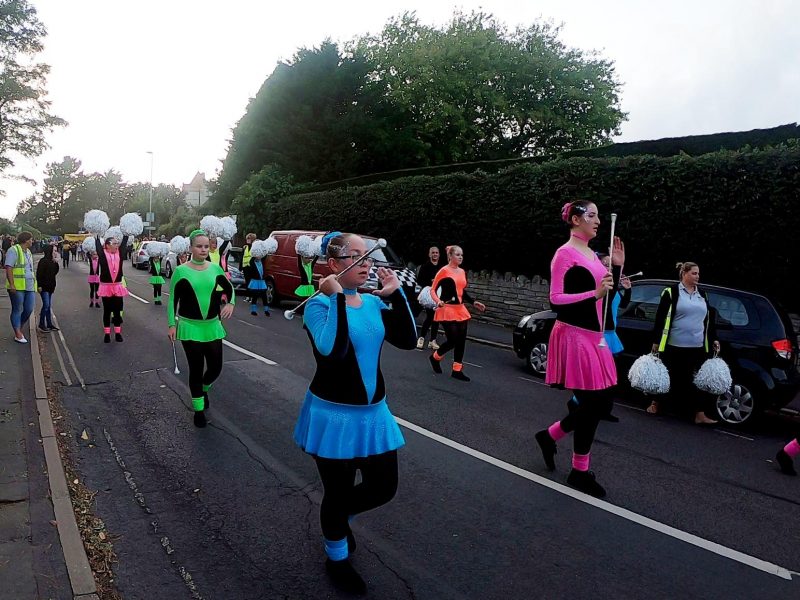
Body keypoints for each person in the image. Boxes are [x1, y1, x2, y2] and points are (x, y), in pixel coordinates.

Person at [293, 232, 416, 595]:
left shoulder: (373, 303)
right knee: (338, 490)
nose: (368, 264)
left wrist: (397, 295)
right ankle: (337, 557)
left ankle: (338, 519)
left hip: (374, 415)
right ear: (333, 264)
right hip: (333, 416)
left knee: (383, 487)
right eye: (357, 257)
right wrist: (337, 299)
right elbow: (333, 351)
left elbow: (409, 340)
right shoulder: (317, 307)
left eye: (369, 257)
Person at [534, 200, 623, 498]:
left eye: (599, 216)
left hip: (593, 336)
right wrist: (594, 293)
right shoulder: (565, 254)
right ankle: (579, 470)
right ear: (575, 219)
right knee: (594, 404)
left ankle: (550, 436)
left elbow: (606, 295)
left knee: (600, 402)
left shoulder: (593, 256)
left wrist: (618, 268)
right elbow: (555, 299)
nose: (597, 221)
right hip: (574, 335)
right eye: (592, 215)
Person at [168, 230, 235, 428]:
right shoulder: (181, 271)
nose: (204, 249)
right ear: (191, 248)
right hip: (190, 327)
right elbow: (173, 300)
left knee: (215, 367)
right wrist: (172, 324)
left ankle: (203, 389)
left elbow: (229, 289)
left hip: (212, 326)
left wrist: (230, 304)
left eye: (206, 246)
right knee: (196, 369)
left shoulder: (215, 269)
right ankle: (198, 410)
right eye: (199, 246)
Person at [647, 262, 720, 425]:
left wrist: (713, 338)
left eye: (698, 274)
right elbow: (661, 318)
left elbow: (708, 320)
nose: (697, 277)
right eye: (694, 273)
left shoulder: (702, 294)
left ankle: (699, 414)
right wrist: (656, 341)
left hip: (697, 346)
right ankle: (655, 403)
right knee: (667, 376)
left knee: (695, 379)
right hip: (674, 344)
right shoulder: (671, 292)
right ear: (684, 274)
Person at [428, 245, 486, 381]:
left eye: (462, 255)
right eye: (458, 255)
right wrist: (438, 301)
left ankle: (457, 369)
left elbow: (461, 291)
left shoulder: (461, 271)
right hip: (446, 309)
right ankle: (435, 357)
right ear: (450, 256)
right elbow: (433, 290)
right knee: (453, 340)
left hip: (460, 309)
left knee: (461, 341)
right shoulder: (443, 271)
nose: (460, 257)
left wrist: (473, 302)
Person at [95, 234, 130, 343]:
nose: (116, 246)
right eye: (114, 244)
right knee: (107, 310)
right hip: (106, 287)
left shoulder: (120, 253)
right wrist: (96, 235)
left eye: (117, 243)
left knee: (117, 310)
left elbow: (124, 245)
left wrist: (126, 235)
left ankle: (118, 333)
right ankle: (107, 334)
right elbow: (98, 247)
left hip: (117, 286)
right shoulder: (103, 255)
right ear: (107, 245)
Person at [4, 231, 36, 343]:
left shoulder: (28, 252)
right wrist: (12, 284)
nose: (32, 241)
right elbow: (9, 268)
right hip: (17, 287)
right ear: (26, 240)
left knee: (29, 309)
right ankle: (18, 333)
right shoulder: (13, 250)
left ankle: (19, 327)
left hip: (29, 286)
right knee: (17, 309)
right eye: (31, 239)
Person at [415, 246, 441, 350]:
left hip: (439, 294)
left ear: (439, 254)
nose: (435, 254)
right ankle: (421, 338)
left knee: (436, 318)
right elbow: (420, 281)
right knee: (430, 316)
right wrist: (431, 281)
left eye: (436, 253)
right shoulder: (425, 266)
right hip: (429, 294)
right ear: (429, 254)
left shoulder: (441, 267)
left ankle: (432, 340)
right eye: (433, 253)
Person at [35, 244, 60, 333]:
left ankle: (49, 324)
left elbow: (55, 272)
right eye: (54, 251)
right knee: (46, 305)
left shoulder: (53, 262)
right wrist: (39, 286)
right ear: (50, 251)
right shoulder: (43, 261)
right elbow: (39, 274)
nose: (55, 253)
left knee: (48, 306)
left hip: (51, 286)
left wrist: (56, 262)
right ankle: (41, 324)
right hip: (44, 287)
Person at [246, 250, 270, 316]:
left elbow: (265, 255)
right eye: (257, 255)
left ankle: (266, 310)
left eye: (260, 256)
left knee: (264, 296)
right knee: (255, 296)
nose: (258, 257)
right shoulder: (252, 262)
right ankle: (253, 310)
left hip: (262, 282)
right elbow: (252, 258)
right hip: (255, 282)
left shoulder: (262, 261)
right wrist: (255, 252)